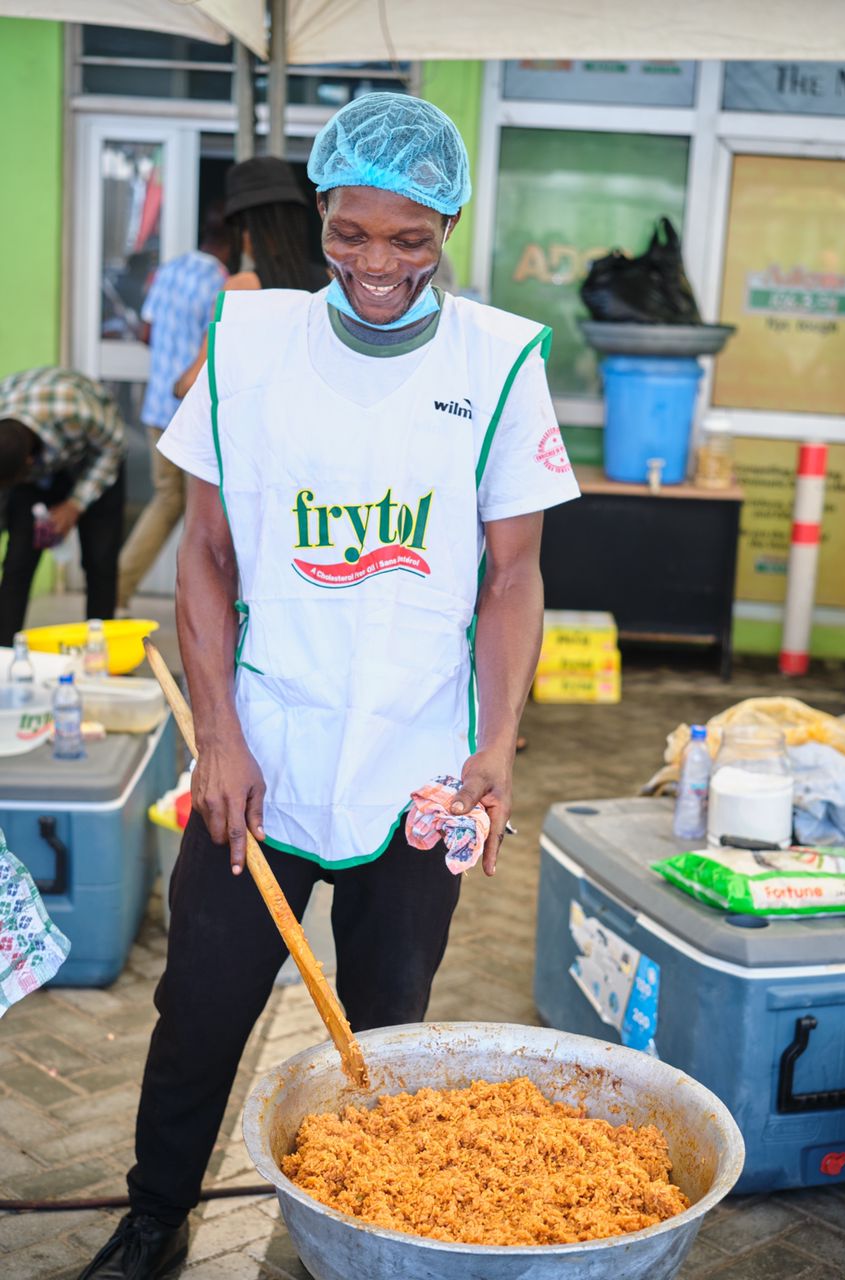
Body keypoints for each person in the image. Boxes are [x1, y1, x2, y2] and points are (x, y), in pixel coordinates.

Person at [77, 93, 579, 1280]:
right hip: (264, 751)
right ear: (321, 212)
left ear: (450, 221)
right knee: (200, 1006)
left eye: (412, 238)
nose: (378, 264)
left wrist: (497, 743)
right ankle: (155, 1215)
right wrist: (223, 738)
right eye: (352, 232)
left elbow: (514, 576)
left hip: (420, 769)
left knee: (389, 1021)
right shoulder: (252, 347)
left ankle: (369, 1226)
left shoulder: (499, 360)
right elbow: (202, 552)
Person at [115, 207, 231, 611]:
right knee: (200, 515)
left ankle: (119, 587)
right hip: (190, 414)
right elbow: (213, 349)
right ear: (231, 245)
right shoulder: (220, 282)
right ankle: (187, 602)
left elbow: (147, 331)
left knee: (168, 502)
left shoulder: (170, 269)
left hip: (155, 409)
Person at [173, 156, 321, 400]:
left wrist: (176, 386)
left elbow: (197, 381)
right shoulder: (329, 280)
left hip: (260, 432)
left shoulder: (242, 288)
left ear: (249, 230)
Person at [0, 367, 126, 646]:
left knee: (99, 558)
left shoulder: (75, 411)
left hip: (95, 457)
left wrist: (74, 505)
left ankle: (100, 656)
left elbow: (115, 445)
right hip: (29, 458)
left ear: (30, 464)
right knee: (18, 559)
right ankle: (3, 654)